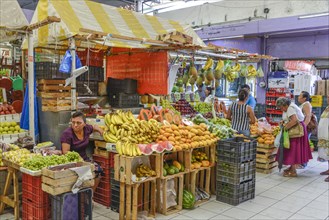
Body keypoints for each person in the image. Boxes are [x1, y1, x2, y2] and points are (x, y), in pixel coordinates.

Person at [61, 111, 104, 191]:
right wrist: (77, 157)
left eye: (78, 123)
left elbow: (93, 127)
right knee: (83, 178)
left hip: (84, 159)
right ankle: (82, 195)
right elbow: (65, 152)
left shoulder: (86, 129)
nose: (75, 125)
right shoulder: (67, 134)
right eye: (73, 122)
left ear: (84, 123)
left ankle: (90, 195)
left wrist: (100, 130)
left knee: (99, 171)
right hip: (72, 163)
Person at [275, 97, 313, 177]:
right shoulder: (290, 106)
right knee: (292, 150)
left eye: (281, 107)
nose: (281, 109)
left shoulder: (290, 108)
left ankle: (293, 170)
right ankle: (291, 167)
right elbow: (291, 118)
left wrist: (285, 127)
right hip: (297, 130)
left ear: (284, 104)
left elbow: (294, 120)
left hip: (296, 132)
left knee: (293, 150)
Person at [297, 91, 313, 168]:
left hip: (305, 128)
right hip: (302, 127)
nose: (298, 97)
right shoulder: (303, 104)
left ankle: (304, 163)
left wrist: (303, 127)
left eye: (300, 96)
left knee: (304, 145)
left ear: (304, 98)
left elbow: (308, 116)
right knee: (302, 145)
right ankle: (301, 162)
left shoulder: (306, 104)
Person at [317, 95, 329, 182]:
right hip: (324, 136)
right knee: (327, 154)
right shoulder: (327, 108)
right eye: (328, 97)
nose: (328, 99)